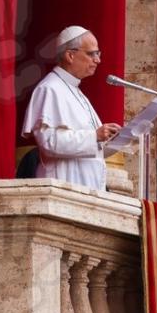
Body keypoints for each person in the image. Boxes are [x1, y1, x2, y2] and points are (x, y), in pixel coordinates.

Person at [21, 25, 121, 191]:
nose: (98, 60)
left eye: (98, 53)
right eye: (92, 54)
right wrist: (94, 136)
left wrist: (112, 139)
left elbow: (92, 148)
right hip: (64, 185)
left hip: (87, 187)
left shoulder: (77, 92)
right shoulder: (50, 88)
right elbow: (49, 142)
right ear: (70, 55)